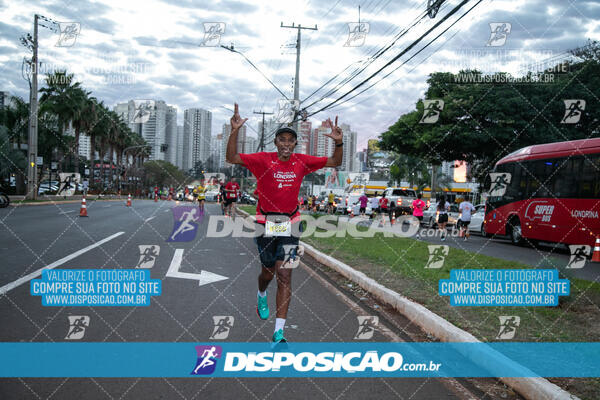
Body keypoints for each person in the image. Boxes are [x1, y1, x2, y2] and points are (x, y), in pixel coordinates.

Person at [226, 103, 343, 344]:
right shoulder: (262, 159)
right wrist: (235, 130)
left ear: (295, 144)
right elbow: (231, 158)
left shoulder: (302, 161)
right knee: (268, 272)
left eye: (291, 140)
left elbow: (334, 162)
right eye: (282, 139)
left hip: (291, 223)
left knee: (285, 275)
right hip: (265, 222)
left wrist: (338, 142)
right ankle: (261, 292)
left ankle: (279, 331)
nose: (287, 143)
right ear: (276, 143)